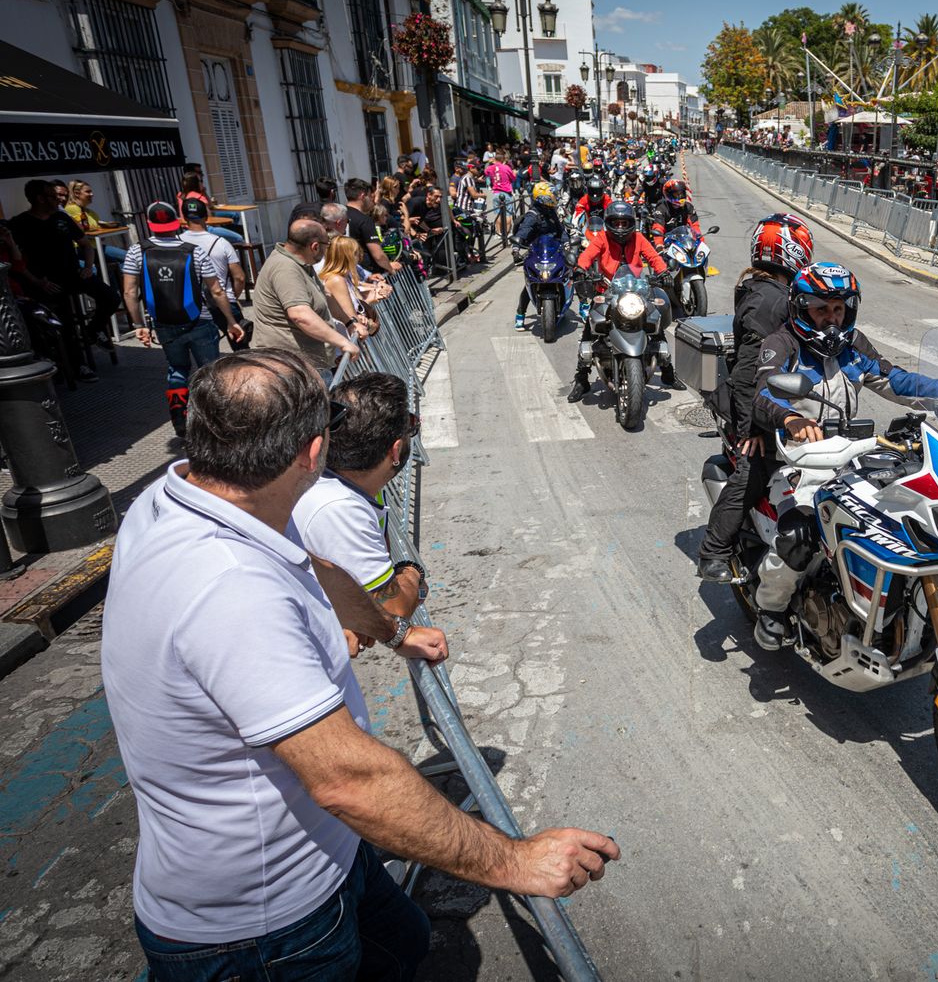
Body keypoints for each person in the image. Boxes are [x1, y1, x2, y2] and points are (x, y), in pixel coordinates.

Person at [103, 349, 618, 981]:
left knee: (405, 944)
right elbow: (348, 779)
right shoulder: (229, 588)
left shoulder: (189, 491)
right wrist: (516, 862)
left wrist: (390, 631)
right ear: (311, 452)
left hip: (327, 855)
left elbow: (315, 570)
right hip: (267, 926)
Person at [746, 263, 938, 650]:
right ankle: (770, 609)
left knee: (905, 520)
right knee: (800, 533)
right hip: (800, 464)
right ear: (800, 309)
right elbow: (763, 393)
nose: (831, 320)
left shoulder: (854, 345)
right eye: (821, 310)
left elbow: (897, 380)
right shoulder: (782, 344)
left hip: (851, 459)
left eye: (839, 310)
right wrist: (791, 417)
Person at [696, 214, 815, 585]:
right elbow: (751, 369)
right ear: (792, 251)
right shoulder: (770, 299)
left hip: (767, 400)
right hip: (751, 406)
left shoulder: (765, 289)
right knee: (755, 468)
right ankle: (713, 550)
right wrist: (757, 426)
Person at [292, 371, 440, 659]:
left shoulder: (345, 482)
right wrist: (412, 572)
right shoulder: (340, 508)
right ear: (395, 451)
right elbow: (393, 605)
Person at [120, 201, 245, 435]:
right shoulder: (193, 250)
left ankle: (179, 417)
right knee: (209, 371)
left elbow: (129, 292)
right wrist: (231, 320)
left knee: (177, 369)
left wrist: (139, 325)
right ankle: (213, 420)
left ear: (150, 225)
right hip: (200, 320)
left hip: (164, 323)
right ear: (176, 222)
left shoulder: (137, 251)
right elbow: (216, 290)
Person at [9, 177, 121, 381]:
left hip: (74, 274)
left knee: (111, 296)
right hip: (46, 282)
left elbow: (86, 245)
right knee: (64, 322)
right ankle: (78, 365)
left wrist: (88, 267)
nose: (58, 201)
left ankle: (91, 332)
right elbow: (16, 261)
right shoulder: (20, 224)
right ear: (40, 199)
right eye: (53, 197)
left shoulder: (61, 219)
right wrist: (36, 281)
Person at [568, 201, 680, 401]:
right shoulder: (601, 238)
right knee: (589, 328)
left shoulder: (638, 238)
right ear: (609, 223)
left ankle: (668, 372)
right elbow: (587, 255)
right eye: (616, 223)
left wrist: (663, 272)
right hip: (607, 290)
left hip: (636, 290)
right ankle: (581, 379)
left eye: (624, 223)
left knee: (655, 324)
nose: (620, 227)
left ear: (631, 223)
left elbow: (654, 257)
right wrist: (580, 268)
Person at [253, 217, 358, 379]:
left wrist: (350, 323)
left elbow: (326, 296)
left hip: (307, 366)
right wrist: (343, 342)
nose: (326, 251)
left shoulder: (301, 264)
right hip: (292, 370)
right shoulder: (285, 268)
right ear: (315, 247)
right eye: (326, 246)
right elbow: (300, 315)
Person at [178, 196, 251, 351]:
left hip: (191, 305)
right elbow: (240, 277)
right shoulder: (221, 243)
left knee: (204, 353)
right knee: (242, 351)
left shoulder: (176, 243)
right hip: (222, 302)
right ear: (206, 216)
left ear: (184, 218)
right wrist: (233, 297)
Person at [512, 183, 568, 332]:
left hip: (554, 250)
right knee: (530, 282)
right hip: (536, 252)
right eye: (552, 195)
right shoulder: (533, 215)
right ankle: (520, 314)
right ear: (543, 197)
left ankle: (582, 305)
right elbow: (524, 230)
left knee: (568, 274)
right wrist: (516, 247)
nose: (555, 198)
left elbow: (560, 230)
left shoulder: (551, 211)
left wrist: (567, 243)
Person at [319, 235, 379, 341]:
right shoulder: (336, 280)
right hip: (345, 339)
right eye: (356, 253)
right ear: (347, 256)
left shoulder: (344, 277)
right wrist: (368, 323)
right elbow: (351, 317)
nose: (360, 256)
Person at [64, 180, 128, 267]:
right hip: (82, 249)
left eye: (91, 191)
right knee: (125, 258)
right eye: (88, 192)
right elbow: (82, 230)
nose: (92, 194)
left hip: (96, 247)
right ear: (76, 194)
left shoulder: (91, 212)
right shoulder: (72, 209)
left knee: (128, 257)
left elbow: (98, 233)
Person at [345, 179, 395, 276]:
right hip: (367, 274)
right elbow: (378, 255)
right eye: (371, 196)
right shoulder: (365, 220)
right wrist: (390, 269)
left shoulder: (340, 215)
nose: (372, 200)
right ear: (363, 196)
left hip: (348, 271)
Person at [650, 179, 704, 245]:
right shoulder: (662, 208)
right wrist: (659, 244)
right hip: (666, 241)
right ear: (668, 194)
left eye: (682, 193)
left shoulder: (688, 207)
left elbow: (695, 226)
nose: (680, 196)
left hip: (684, 240)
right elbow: (658, 227)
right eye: (677, 194)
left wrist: (701, 242)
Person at [484, 153, 516, 241]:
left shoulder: (490, 167)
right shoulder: (506, 167)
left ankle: (498, 233)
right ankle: (508, 233)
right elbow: (513, 178)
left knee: (498, 214)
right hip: (506, 192)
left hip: (496, 193)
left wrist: (491, 163)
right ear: (502, 160)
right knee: (508, 214)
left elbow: (485, 172)